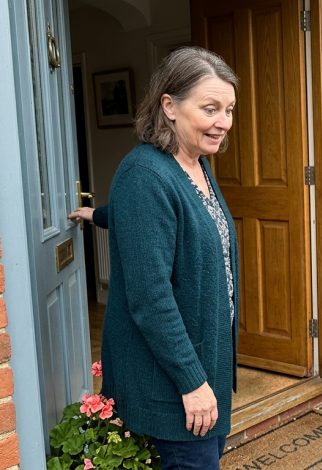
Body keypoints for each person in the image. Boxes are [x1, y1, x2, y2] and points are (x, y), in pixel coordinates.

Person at [99, 46, 239, 469]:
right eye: (210, 108)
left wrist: (97, 214)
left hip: (204, 364)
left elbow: (174, 226)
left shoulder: (195, 164)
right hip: (173, 382)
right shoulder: (144, 173)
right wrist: (192, 381)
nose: (223, 122)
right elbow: (150, 297)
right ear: (169, 106)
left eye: (229, 110)